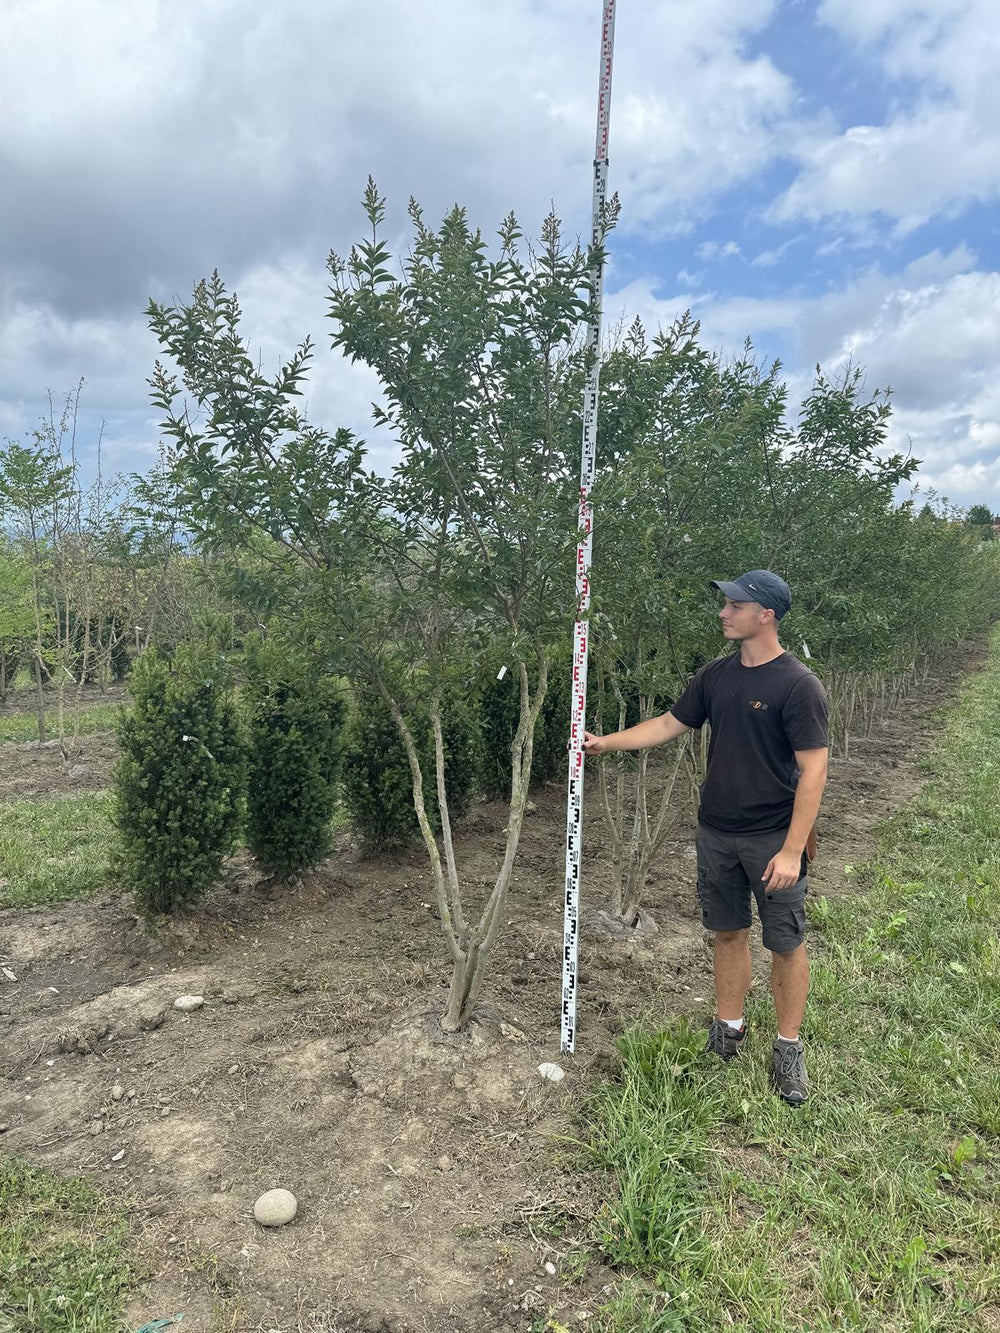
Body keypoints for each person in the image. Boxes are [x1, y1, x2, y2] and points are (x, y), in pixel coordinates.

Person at [583, 570, 828, 1105]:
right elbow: (670, 724)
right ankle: (729, 1028)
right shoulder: (715, 676)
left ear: (766, 614)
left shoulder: (797, 685)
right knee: (726, 932)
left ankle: (788, 1046)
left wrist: (791, 849)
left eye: (734, 605)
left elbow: (814, 771)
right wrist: (606, 743)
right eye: (725, 604)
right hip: (716, 832)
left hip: (771, 838)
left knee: (784, 942)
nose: (724, 612)